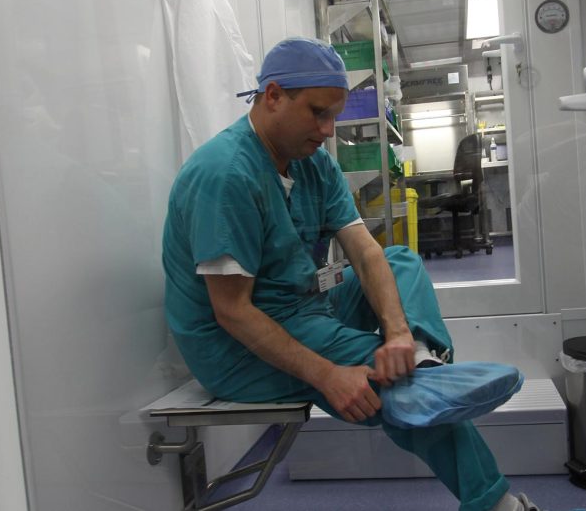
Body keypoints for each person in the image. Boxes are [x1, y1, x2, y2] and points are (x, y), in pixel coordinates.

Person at [162, 37, 540, 511]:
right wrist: (329, 376)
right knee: (389, 377)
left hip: (302, 307)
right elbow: (233, 313)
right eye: (318, 113)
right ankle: (496, 503)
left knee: (399, 260)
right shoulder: (226, 175)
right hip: (237, 347)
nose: (328, 129)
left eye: (335, 115)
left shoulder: (312, 163)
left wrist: (398, 333)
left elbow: (364, 253)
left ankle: (420, 357)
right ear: (273, 95)